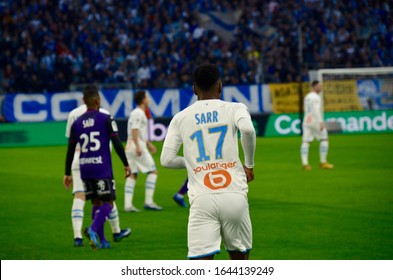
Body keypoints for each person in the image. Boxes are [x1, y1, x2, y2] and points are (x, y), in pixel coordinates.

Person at [160, 64, 256, 260]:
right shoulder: (235, 108)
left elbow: (166, 160)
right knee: (240, 260)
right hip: (234, 194)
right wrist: (249, 164)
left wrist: (193, 163)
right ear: (220, 86)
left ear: (194, 89)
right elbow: (247, 130)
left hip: (202, 198)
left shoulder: (180, 118)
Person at [64, 84, 132, 250]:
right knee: (108, 201)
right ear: (98, 100)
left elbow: (70, 149)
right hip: (101, 167)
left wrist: (67, 173)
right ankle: (93, 229)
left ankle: (102, 241)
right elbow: (116, 142)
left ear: (84, 101)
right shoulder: (105, 118)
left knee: (96, 202)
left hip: (84, 167)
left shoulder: (76, 122)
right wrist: (125, 164)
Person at [124, 90, 163, 212]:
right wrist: (138, 146)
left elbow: (138, 131)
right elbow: (134, 130)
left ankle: (128, 205)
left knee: (132, 175)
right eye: (147, 97)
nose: (149, 100)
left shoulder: (138, 113)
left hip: (131, 145)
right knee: (153, 171)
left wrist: (149, 144)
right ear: (143, 100)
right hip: (136, 146)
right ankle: (149, 202)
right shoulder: (138, 113)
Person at [301, 80, 334, 170]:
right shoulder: (316, 97)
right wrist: (320, 121)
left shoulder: (307, 96)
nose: (321, 87)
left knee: (306, 142)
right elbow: (316, 110)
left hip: (306, 120)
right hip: (315, 121)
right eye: (319, 86)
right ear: (315, 86)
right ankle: (323, 162)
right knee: (324, 139)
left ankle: (305, 164)